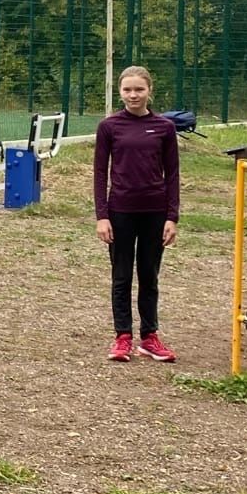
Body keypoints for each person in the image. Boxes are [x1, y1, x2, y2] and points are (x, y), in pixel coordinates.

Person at [93, 66, 179, 363]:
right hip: (120, 212)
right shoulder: (109, 126)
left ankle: (149, 337)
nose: (133, 95)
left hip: (155, 212)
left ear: (149, 91)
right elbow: (99, 172)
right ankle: (122, 337)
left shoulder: (165, 127)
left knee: (149, 276)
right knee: (121, 276)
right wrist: (101, 216)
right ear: (120, 92)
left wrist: (172, 216)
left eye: (138, 89)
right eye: (127, 90)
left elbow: (173, 175)